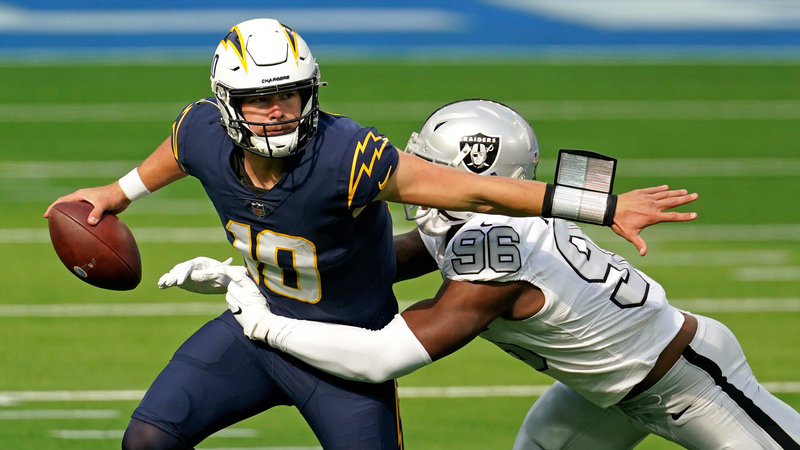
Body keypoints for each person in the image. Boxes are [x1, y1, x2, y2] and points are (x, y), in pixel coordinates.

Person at [44, 17, 697, 450]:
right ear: (226, 105)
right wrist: (114, 194)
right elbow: (178, 150)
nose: (276, 112)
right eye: (259, 101)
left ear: (311, 92)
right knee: (147, 440)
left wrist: (597, 206)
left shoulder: (347, 155)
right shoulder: (201, 132)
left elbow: (476, 189)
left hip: (345, 354)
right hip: (253, 331)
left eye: (290, 96)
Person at [208, 100, 800, 449]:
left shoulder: (493, 249)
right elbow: (395, 259)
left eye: (429, 163)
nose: (413, 171)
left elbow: (383, 358)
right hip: (600, 389)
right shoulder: (473, 222)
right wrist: (276, 270)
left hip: (690, 383)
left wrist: (265, 325)